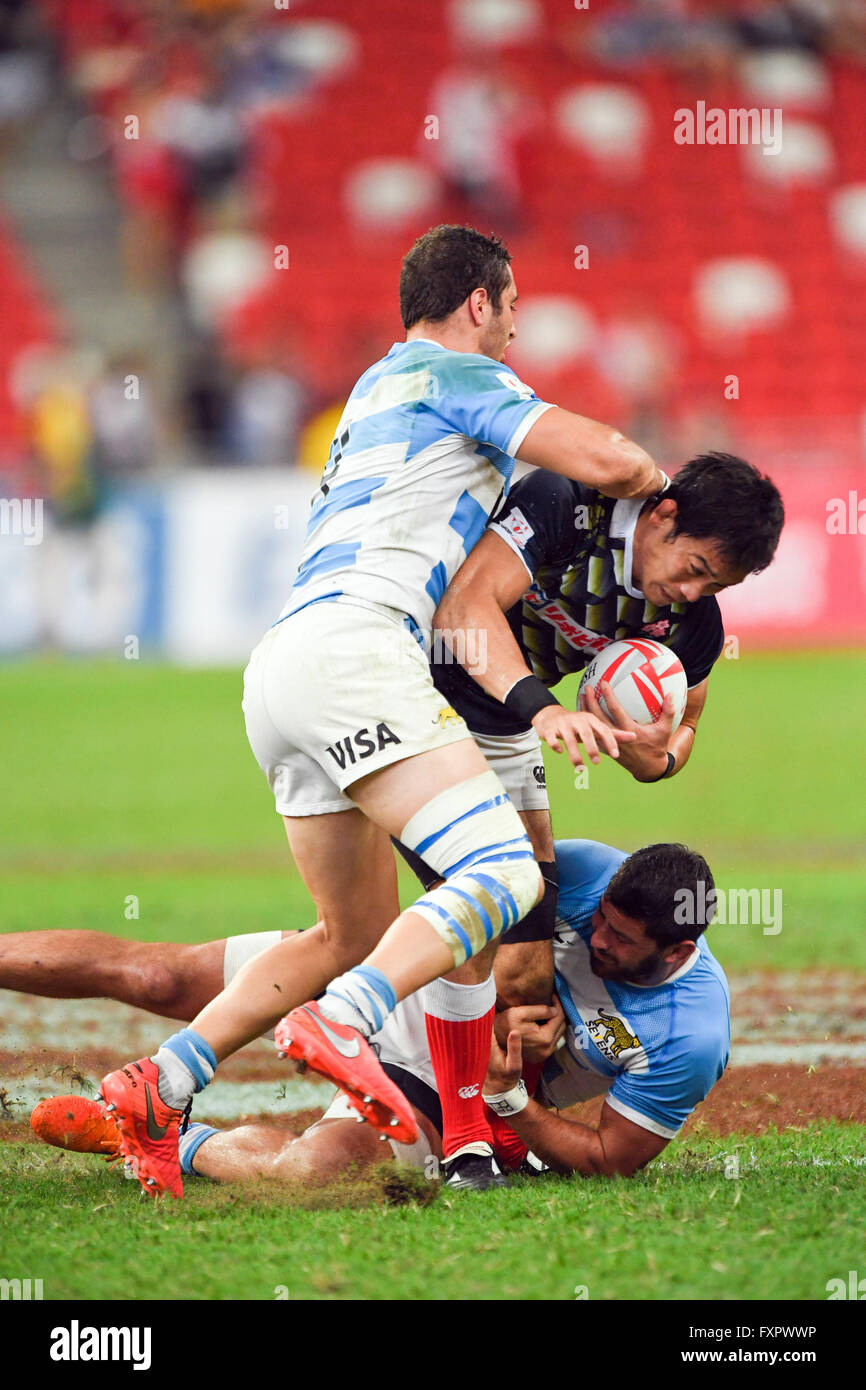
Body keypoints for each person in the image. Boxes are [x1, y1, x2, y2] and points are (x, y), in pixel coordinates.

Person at [97, 224, 670, 1199]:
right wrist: (665, 496)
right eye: (512, 306)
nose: (518, 328)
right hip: (362, 650)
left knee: (345, 932)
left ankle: (161, 1082)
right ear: (476, 303)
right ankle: (348, 1019)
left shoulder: (374, 385)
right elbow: (603, 459)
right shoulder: (453, 372)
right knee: (495, 872)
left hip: (283, 666)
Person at [411, 452, 783, 1175]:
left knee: (526, 953)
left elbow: (673, 745)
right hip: (410, 696)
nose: (691, 592)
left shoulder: (690, 624)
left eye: (716, 584)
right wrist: (543, 708)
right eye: (695, 567)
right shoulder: (568, 506)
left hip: (499, 722)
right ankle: (462, 1140)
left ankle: (503, 1127)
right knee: (473, 903)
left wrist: (652, 751)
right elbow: (465, 608)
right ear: (664, 516)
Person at [30, 840, 730, 1187]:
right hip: (404, 983)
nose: (600, 939)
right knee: (158, 976)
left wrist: (510, 1098)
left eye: (622, 940)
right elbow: (459, 885)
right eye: (599, 922)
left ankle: (154, 1137)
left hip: (449, 1088)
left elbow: (612, 1158)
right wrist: (507, 1001)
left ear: (677, 950)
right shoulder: (577, 869)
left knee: (310, 1174)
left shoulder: (692, 1035)